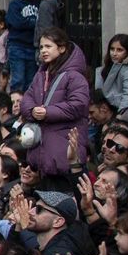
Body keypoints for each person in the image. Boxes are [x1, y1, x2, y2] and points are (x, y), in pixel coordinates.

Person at [17, 28, 91, 177]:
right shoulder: (40, 75)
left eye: (48, 46)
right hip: (42, 153)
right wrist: (32, 111)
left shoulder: (74, 76)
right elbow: (26, 99)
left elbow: (78, 105)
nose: (43, 51)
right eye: (41, 47)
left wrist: (47, 112)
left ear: (62, 48)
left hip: (63, 152)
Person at [6, 0, 41, 93]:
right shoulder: (14, 4)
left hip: (32, 46)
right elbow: (17, 23)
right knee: (18, 79)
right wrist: (33, 23)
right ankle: (16, 106)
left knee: (31, 80)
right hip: (17, 46)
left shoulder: (37, 3)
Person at [95, 34, 128, 112]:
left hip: (120, 111)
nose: (114, 53)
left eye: (119, 50)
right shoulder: (105, 68)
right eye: (112, 49)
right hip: (105, 110)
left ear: (127, 52)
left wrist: (120, 115)